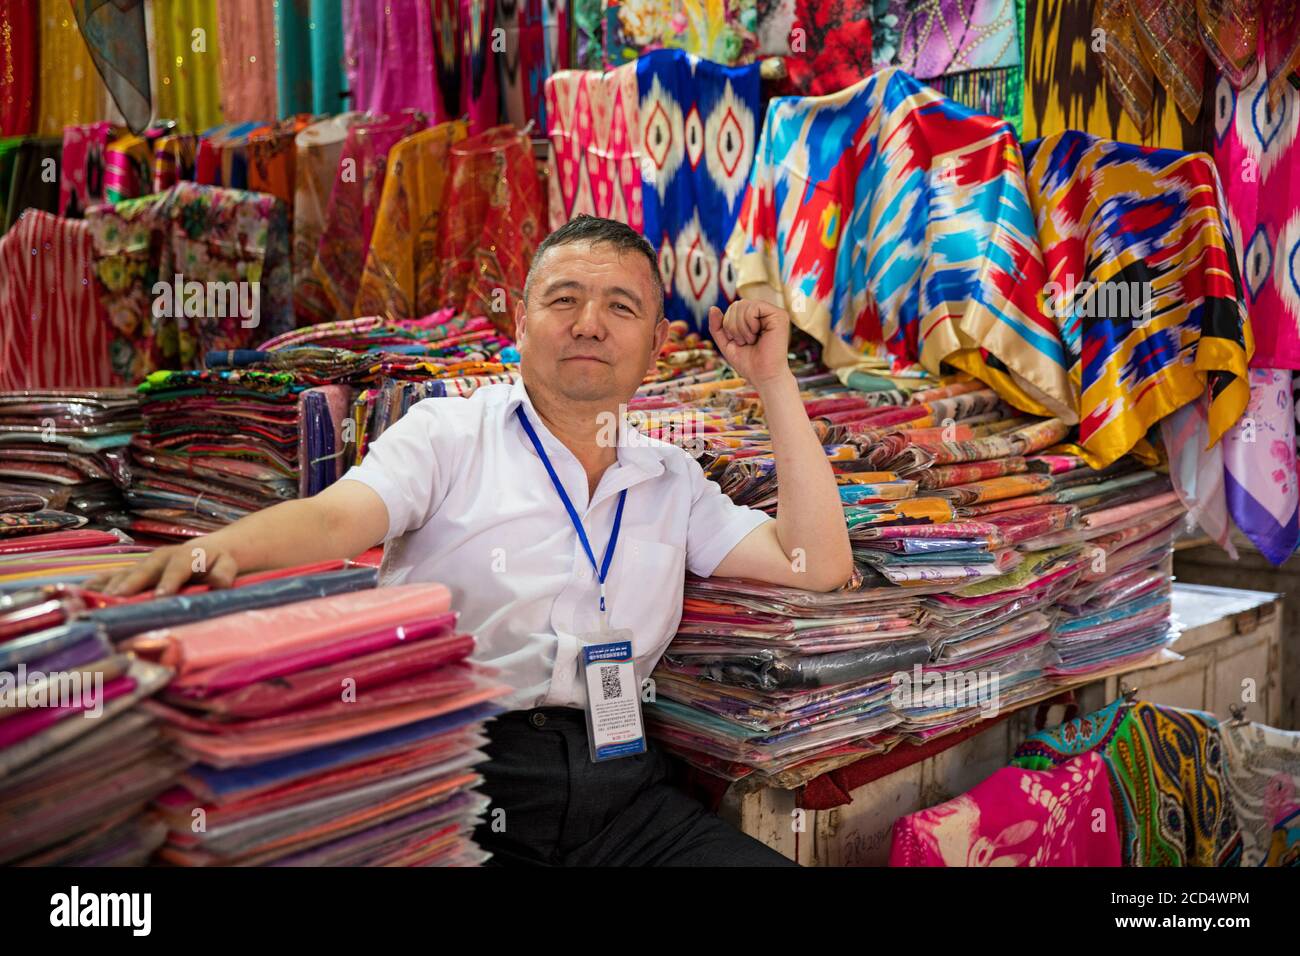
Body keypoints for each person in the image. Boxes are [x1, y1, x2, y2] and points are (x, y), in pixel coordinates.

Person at [97, 215, 854, 866]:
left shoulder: (671, 477)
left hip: (622, 794)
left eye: (619, 306)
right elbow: (337, 519)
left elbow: (817, 564)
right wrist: (212, 552)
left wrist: (772, 380)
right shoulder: (448, 434)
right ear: (521, 322)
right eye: (564, 300)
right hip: (462, 779)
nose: (589, 322)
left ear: (657, 342)